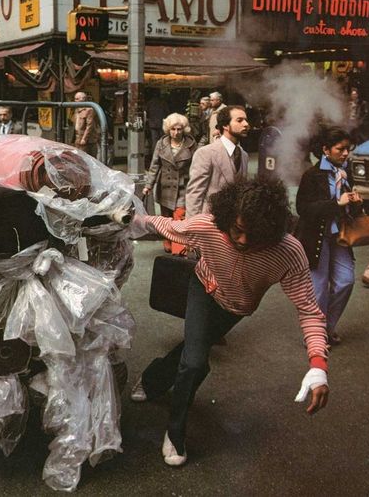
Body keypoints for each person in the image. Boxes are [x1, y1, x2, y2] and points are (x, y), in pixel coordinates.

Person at [130, 179, 329, 466]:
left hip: (235, 309)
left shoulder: (288, 251)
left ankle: (152, 379)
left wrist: (318, 365)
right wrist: (123, 217)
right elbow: (163, 225)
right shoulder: (208, 226)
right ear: (226, 219)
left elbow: (309, 309)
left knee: (192, 352)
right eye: (237, 229)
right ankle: (175, 432)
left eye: (255, 234)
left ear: (272, 229)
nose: (244, 240)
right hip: (203, 288)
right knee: (196, 361)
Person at [295, 126, 362, 347]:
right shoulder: (311, 175)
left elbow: (351, 209)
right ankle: (315, 335)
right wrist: (337, 203)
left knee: (346, 281)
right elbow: (303, 208)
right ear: (325, 149)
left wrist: (356, 204)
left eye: (348, 149)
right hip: (316, 237)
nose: (345, 154)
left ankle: (327, 327)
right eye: (340, 149)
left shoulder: (347, 173)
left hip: (340, 235)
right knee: (319, 287)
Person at [142, 113, 197, 254]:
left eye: (179, 129)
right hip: (164, 186)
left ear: (184, 129)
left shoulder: (191, 144)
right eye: (173, 129)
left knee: (179, 217)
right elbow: (155, 165)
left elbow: (197, 166)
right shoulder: (162, 143)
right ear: (168, 129)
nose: (176, 133)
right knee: (166, 218)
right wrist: (149, 185)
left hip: (183, 187)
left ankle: (178, 250)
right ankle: (168, 242)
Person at [185, 105, 250, 217]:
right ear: (225, 125)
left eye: (246, 120)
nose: (246, 124)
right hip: (210, 221)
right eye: (239, 120)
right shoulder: (206, 153)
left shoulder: (244, 155)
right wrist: (192, 226)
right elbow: (195, 194)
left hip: (233, 223)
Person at [72, 91, 100, 157]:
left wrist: (84, 139)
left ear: (83, 99)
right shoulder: (77, 110)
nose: (75, 101)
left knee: (88, 158)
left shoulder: (89, 110)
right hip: (78, 138)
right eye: (75, 99)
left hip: (87, 140)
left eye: (77, 99)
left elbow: (89, 126)